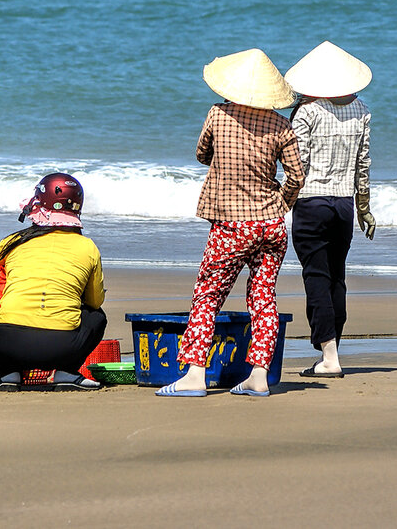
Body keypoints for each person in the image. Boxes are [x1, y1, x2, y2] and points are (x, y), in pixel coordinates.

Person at [157, 48, 305, 398]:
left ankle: (195, 374)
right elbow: (297, 177)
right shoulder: (281, 125)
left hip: (232, 225)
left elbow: (201, 154)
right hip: (271, 225)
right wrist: (281, 204)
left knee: (208, 294)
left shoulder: (217, 114)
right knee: (263, 297)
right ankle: (259, 375)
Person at [284, 41, 374, 379]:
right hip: (344, 205)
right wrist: (364, 208)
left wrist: (283, 201)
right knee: (337, 275)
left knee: (316, 276)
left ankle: (329, 355)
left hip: (311, 203)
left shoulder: (307, 112)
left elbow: (299, 165)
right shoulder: (362, 110)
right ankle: (333, 347)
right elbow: (363, 165)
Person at [0, 172, 106, 391]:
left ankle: (9, 373)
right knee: (97, 316)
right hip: (62, 347)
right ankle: (67, 372)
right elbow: (95, 302)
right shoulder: (88, 247)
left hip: (8, 342)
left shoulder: (13, 241)